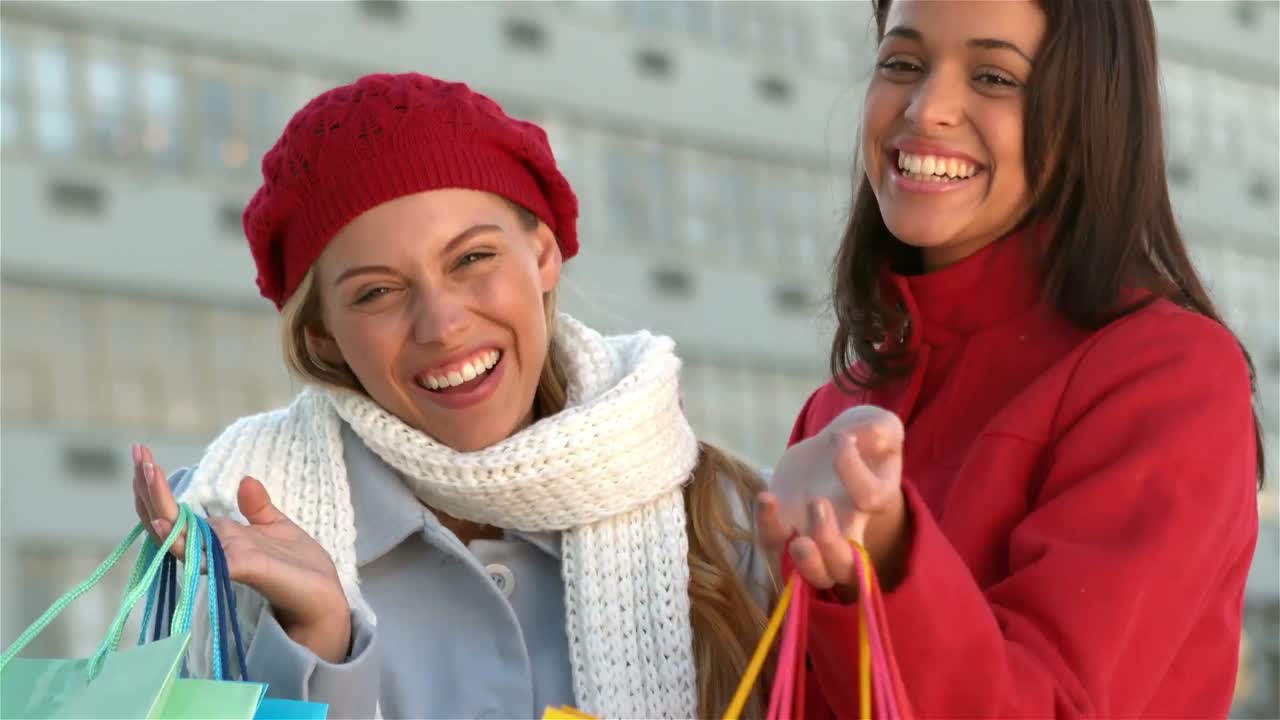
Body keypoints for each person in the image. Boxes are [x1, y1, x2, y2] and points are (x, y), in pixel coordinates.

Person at [130, 72, 779, 719]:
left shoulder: (730, 523)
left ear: (543, 254)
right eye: (377, 292)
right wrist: (318, 645)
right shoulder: (231, 536)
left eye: (472, 259)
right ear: (324, 336)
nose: (441, 326)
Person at [756, 0, 1265, 717]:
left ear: (1090, 113)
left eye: (994, 77)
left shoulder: (1169, 376)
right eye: (902, 63)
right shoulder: (841, 404)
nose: (927, 109)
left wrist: (893, 558)